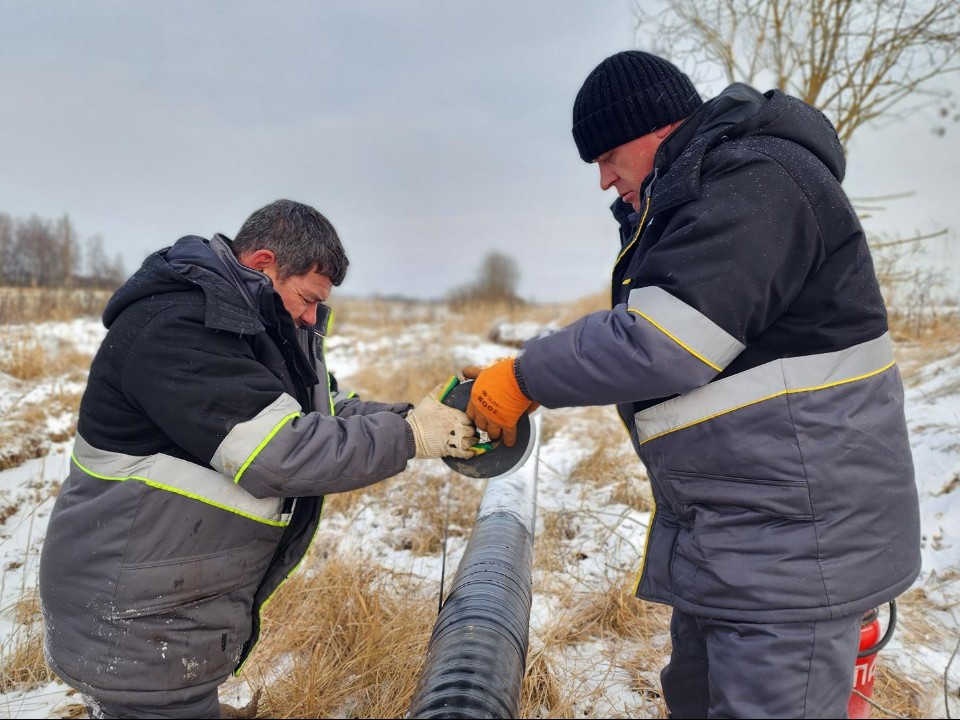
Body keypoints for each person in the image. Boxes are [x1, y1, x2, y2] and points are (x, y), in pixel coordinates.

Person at [464, 51, 921, 718]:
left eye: (609, 155)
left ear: (657, 127)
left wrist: (525, 375)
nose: (603, 179)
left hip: (792, 555)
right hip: (742, 541)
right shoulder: (706, 195)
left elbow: (662, 342)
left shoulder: (756, 181)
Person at [39, 199, 477, 719]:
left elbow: (327, 411)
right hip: (131, 619)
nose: (313, 316)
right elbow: (282, 453)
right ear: (265, 262)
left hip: (166, 608)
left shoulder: (255, 330)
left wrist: (422, 418)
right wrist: (410, 437)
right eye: (307, 298)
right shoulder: (176, 330)